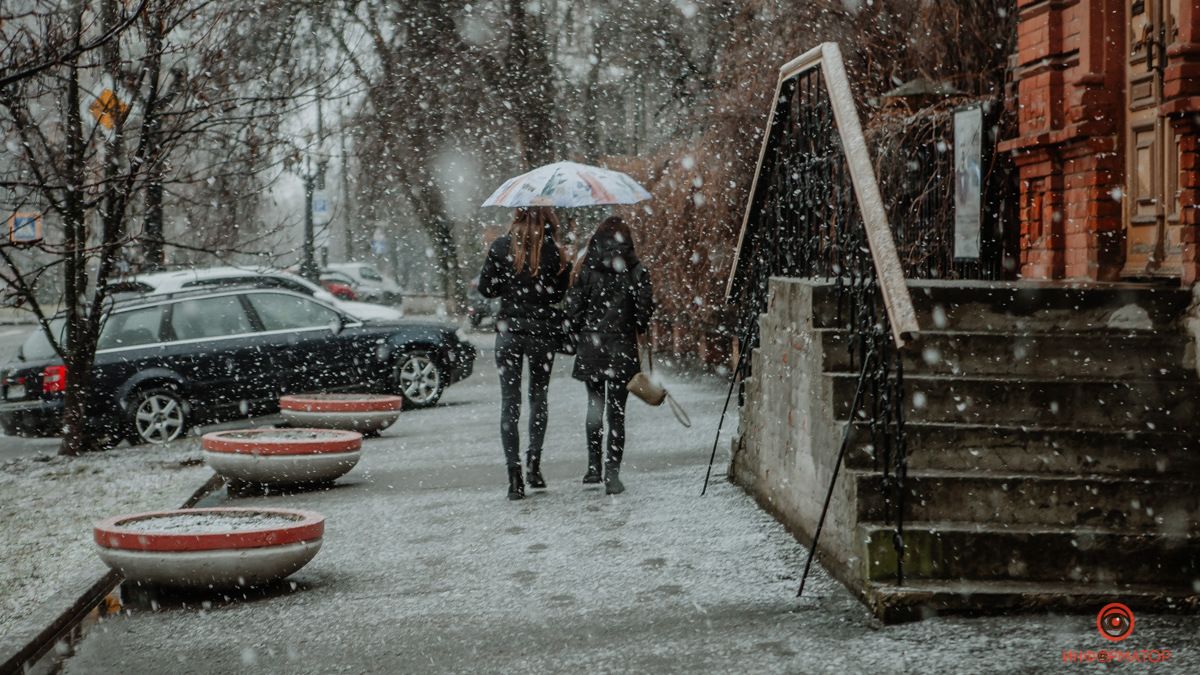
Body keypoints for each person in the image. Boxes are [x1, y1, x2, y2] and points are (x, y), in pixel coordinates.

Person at [479, 206, 570, 500]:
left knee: (510, 402)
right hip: (542, 334)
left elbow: (487, 290)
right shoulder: (554, 249)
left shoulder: (502, 245)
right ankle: (534, 464)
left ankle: (514, 476)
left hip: (509, 333)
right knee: (538, 398)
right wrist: (564, 267)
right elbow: (557, 295)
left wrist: (503, 274)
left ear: (516, 216)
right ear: (548, 219)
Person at [564, 216, 654, 495]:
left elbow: (572, 312)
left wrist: (582, 330)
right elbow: (643, 314)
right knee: (617, 414)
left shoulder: (586, 268)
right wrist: (633, 321)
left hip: (592, 348)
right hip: (622, 350)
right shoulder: (636, 270)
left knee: (595, 407)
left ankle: (593, 468)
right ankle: (612, 474)